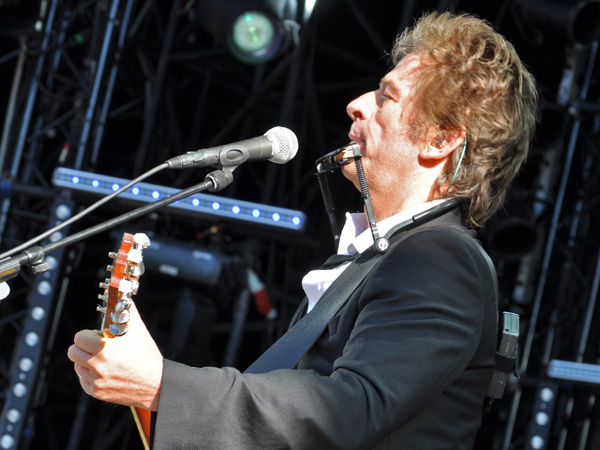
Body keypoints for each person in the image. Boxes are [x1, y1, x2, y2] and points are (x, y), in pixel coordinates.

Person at [67, 11, 537, 449]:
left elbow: (347, 408)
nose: (356, 106)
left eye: (387, 96)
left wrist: (164, 388)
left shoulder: (440, 258)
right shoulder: (382, 256)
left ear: (441, 139)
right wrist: (153, 393)